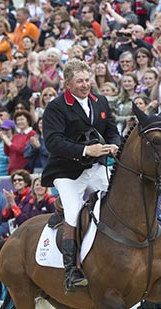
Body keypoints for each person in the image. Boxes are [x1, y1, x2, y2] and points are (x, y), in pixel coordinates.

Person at [41, 59, 121, 293]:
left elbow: (112, 131)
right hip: (67, 171)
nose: (86, 85)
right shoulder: (56, 107)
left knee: (114, 204)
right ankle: (71, 271)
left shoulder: (101, 101)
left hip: (95, 167)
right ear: (68, 84)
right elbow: (53, 142)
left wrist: (114, 145)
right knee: (74, 212)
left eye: (88, 80)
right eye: (80, 81)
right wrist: (86, 150)